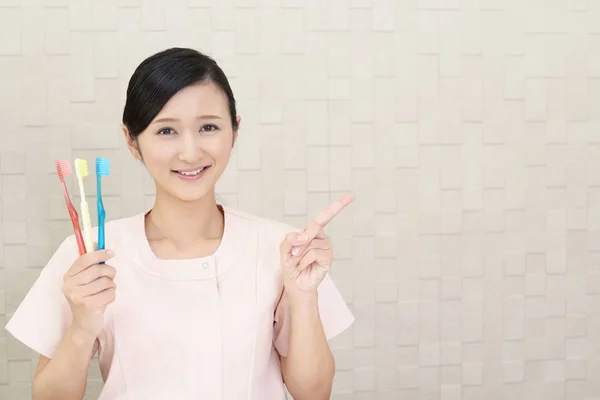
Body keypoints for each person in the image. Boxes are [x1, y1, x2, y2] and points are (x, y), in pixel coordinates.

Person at [5, 47, 355, 400]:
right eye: (167, 131)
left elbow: (314, 393)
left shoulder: (281, 248)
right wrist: (82, 327)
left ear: (235, 130)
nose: (190, 152)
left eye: (208, 127)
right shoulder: (89, 252)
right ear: (132, 140)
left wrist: (303, 294)